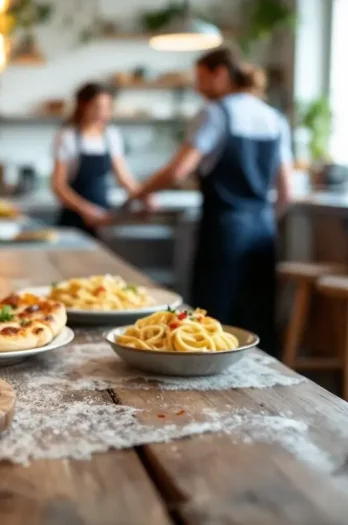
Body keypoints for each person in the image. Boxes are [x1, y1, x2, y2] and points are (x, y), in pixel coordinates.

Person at [128, 47, 294, 356]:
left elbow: (178, 169)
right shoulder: (275, 118)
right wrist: (263, 220)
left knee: (212, 324)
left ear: (220, 74)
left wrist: (140, 193)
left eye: (201, 78)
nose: (197, 87)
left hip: (224, 229)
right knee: (258, 319)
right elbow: (286, 192)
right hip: (263, 231)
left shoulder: (215, 114)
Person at [51, 83, 147, 235]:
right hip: (74, 217)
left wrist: (144, 196)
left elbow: (124, 177)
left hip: (103, 216)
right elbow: (58, 186)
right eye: (96, 106)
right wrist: (87, 211)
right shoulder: (67, 136)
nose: (102, 113)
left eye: (107, 107)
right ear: (83, 105)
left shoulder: (111, 135)